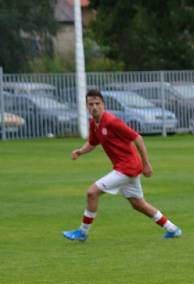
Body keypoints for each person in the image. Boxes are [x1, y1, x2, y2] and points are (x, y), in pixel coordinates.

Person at [63, 90, 181, 241]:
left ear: (103, 105)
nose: (94, 107)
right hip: (125, 167)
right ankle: (172, 229)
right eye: (91, 104)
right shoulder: (94, 123)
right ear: (86, 106)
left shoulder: (111, 121)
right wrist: (80, 152)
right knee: (138, 204)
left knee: (92, 193)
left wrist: (147, 163)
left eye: (97, 104)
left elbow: (138, 138)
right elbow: (92, 143)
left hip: (127, 167)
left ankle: (82, 233)